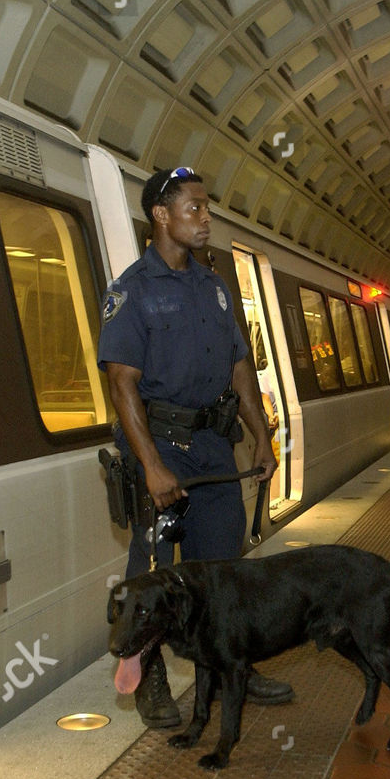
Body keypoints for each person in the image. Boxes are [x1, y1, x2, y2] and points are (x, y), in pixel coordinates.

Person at [97, 166, 293, 728]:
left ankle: (234, 668)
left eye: (207, 209)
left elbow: (239, 368)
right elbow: (122, 384)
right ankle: (148, 678)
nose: (206, 219)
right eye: (195, 209)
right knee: (153, 576)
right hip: (161, 447)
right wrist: (153, 466)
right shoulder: (131, 291)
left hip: (212, 446)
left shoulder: (213, 286)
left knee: (223, 570)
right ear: (161, 215)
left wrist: (261, 435)